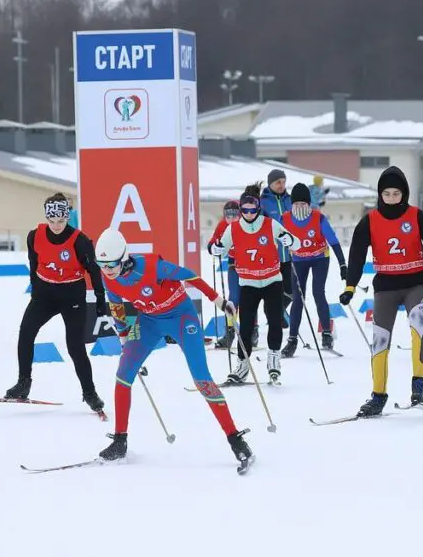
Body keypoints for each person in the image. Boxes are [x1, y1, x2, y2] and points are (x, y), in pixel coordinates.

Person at [93, 228, 253, 469]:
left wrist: (218, 300)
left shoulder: (151, 266)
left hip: (182, 317)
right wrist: (124, 335)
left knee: (202, 378)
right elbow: (115, 305)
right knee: (123, 375)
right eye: (102, 264)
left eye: (111, 264)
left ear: (124, 256)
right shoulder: (108, 278)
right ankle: (119, 441)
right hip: (148, 322)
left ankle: (235, 439)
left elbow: (190, 276)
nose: (107, 270)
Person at [341, 166, 423, 416]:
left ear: (404, 193)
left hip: (416, 282)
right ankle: (378, 396)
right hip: (386, 285)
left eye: (395, 193)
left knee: (419, 328)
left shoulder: (417, 216)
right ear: (380, 195)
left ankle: (418, 383)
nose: (390, 198)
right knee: (379, 340)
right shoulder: (370, 220)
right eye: (386, 194)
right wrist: (350, 286)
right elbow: (356, 254)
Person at [5, 193, 107, 413]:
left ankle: (89, 393)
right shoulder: (35, 236)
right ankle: (24, 382)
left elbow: (94, 271)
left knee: (75, 346)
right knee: (26, 333)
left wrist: (100, 300)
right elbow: (33, 262)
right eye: (52, 221)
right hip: (45, 295)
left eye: (61, 221)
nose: (57, 226)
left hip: (73, 297)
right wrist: (34, 289)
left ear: (67, 217)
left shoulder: (80, 241)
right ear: (46, 218)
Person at [216, 183, 302, 384]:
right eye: (244, 210)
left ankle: (274, 361)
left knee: (274, 321)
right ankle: (242, 365)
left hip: (272, 281)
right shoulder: (233, 228)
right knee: (245, 326)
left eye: (252, 210)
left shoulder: (270, 224)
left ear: (257, 208)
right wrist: (215, 249)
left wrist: (290, 241)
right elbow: (218, 246)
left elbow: (295, 243)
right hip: (248, 283)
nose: (248, 213)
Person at [281, 182, 347, 357]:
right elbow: (275, 239)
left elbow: (333, 240)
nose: (300, 207)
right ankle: (292, 339)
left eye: (304, 204)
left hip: (319, 258)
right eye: (296, 204)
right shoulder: (285, 219)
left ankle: (326, 333)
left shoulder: (318, 218)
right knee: (298, 298)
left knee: (318, 292)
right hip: (298, 259)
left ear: (309, 204)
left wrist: (342, 264)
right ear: (291, 205)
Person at [207, 200, 258, 350]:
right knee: (233, 299)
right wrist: (213, 248)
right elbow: (213, 241)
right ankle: (230, 333)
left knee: (249, 298)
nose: (231, 219)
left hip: (250, 265)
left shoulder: (248, 223)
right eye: (227, 216)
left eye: (234, 216)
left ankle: (252, 331)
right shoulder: (223, 225)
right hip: (233, 264)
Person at [260, 169, 295, 323]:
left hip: (289, 254)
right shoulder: (263, 202)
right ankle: (275, 317)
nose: (281, 185)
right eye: (277, 182)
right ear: (270, 184)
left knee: (291, 290)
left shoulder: (290, 200)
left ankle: (276, 312)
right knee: (273, 290)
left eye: (283, 181)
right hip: (272, 255)